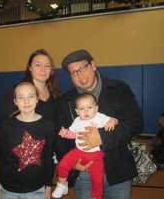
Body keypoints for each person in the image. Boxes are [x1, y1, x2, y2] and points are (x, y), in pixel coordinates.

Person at [54, 49, 143, 199]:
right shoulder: (66, 101)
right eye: (74, 72)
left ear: (93, 65)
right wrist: (73, 163)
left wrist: (102, 137)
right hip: (84, 172)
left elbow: (135, 123)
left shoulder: (119, 89)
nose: (80, 75)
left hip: (117, 171)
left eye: (83, 68)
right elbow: (60, 138)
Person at [0, 82, 54, 199]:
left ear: (37, 99)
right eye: (21, 97)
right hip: (8, 189)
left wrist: (48, 185)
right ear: (15, 101)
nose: (26, 101)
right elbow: (1, 158)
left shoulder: (48, 125)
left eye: (31, 96)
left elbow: (48, 158)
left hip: (37, 189)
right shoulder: (6, 126)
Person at [52, 93, 118, 199]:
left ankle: (96, 197)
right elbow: (73, 134)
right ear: (77, 112)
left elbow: (115, 120)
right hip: (78, 152)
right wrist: (65, 133)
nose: (86, 111)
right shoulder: (77, 121)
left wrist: (111, 121)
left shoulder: (99, 117)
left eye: (89, 107)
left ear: (96, 108)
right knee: (62, 164)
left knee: (97, 179)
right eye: (82, 109)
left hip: (96, 156)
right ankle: (62, 184)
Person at [0, 49, 60, 128]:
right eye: (38, 65)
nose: (43, 69)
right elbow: (4, 125)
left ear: (51, 70)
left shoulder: (56, 93)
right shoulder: (15, 92)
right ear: (30, 67)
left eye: (47, 66)